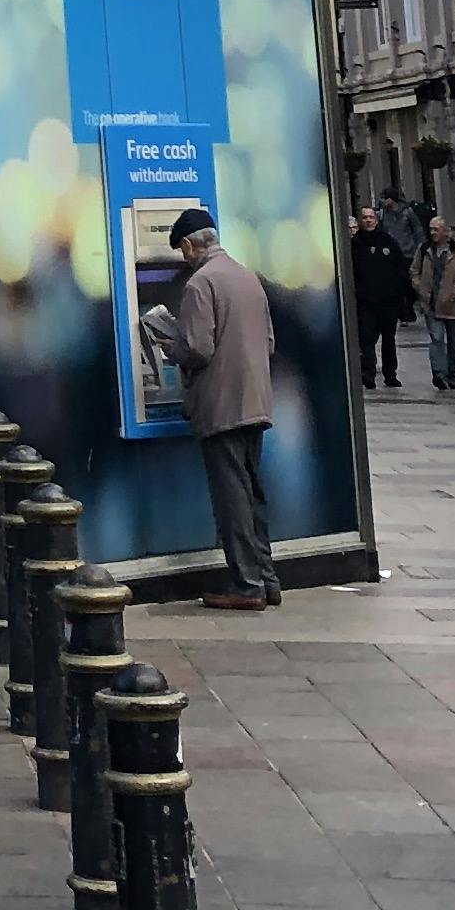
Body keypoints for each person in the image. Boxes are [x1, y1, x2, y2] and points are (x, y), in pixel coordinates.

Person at [158, 204, 279, 611]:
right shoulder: (248, 278)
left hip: (221, 405)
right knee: (251, 492)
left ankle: (246, 586)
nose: (183, 258)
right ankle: (267, 577)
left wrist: (168, 346)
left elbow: (197, 348)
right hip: (255, 401)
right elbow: (269, 344)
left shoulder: (200, 285)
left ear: (191, 245)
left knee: (232, 499)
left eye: (182, 250)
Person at [349, 205, 414, 394]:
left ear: (376, 220)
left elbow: (400, 270)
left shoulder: (388, 242)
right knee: (367, 340)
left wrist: (402, 299)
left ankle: (390, 374)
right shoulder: (355, 245)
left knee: (389, 340)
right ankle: (368, 374)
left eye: (371, 217)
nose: (368, 220)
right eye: (365, 217)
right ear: (360, 221)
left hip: (388, 301)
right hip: (366, 302)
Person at [412, 210, 455, 391]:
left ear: (446, 232)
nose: (433, 233)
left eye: (436, 229)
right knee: (437, 339)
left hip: (453, 306)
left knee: (454, 344)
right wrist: (420, 287)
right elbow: (414, 270)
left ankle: (454, 375)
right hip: (431, 304)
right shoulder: (424, 250)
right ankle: (439, 374)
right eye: (431, 229)